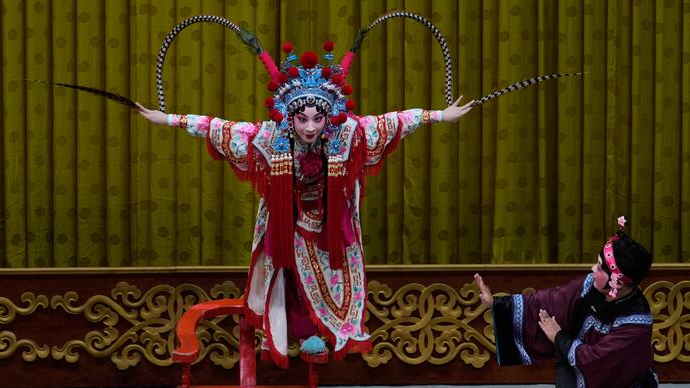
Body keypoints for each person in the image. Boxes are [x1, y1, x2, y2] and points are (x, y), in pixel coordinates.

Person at [137, 41, 474, 368]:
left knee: (336, 275)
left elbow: (395, 121)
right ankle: (301, 332)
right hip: (288, 220)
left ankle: (329, 329)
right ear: (290, 117)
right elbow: (217, 127)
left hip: (331, 223)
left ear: (329, 116)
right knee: (287, 274)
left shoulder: (347, 133)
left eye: (318, 119)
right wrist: (168, 120)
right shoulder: (270, 136)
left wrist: (442, 115)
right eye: (303, 119)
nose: (311, 127)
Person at [474, 217, 662, 388]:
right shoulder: (589, 287)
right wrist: (497, 304)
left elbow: (597, 362)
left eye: (600, 267)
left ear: (618, 283)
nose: (593, 268)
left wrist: (559, 337)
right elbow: (552, 301)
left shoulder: (636, 323)